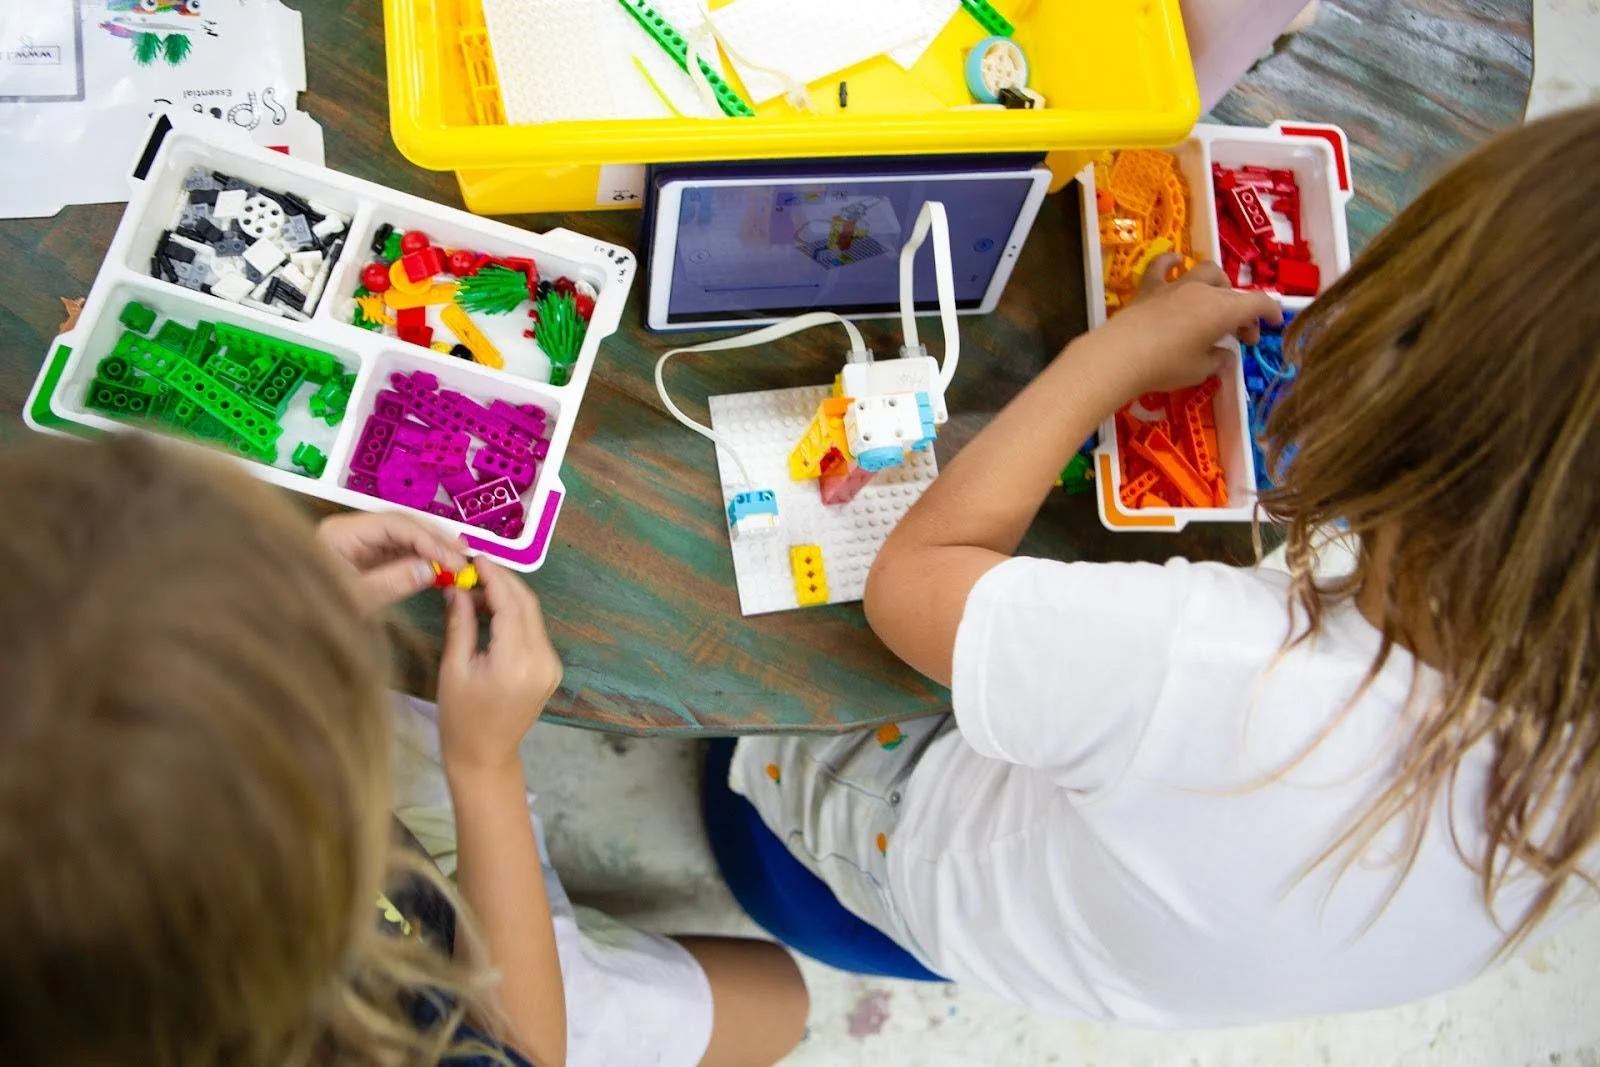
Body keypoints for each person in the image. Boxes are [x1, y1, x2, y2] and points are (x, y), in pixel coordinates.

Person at [728, 105, 1600, 1026]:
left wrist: (1112, 356)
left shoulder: (1215, 663)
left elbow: (911, 586)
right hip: (1110, 947)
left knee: (771, 634)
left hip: (907, 851)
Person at [0, 434, 807, 1066]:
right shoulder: (336, 1031)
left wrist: (282, 613)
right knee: (783, 998)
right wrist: (485, 770)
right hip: (466, 998)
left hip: (393, 903)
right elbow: (526, 1051)